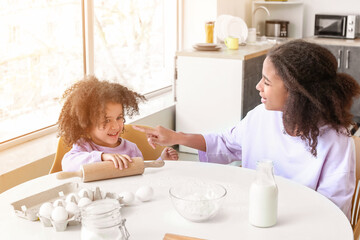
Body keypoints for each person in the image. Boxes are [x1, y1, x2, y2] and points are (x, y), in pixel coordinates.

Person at [134, 39, 360, 220]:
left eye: (267, 82)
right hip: (254, 218)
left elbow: (331, 212)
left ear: (297, 92)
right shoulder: (261, 116)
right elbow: (224, 143)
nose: (258, 86)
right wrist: (175, 137)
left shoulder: (336, 142)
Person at [57, 76, 178, 172]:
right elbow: (67, 165)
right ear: (86, 125)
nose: (115, 126)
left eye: (119, 117)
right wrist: (102, 157)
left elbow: (142, 171)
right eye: (107, 120)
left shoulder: (131, 149)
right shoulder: (84, 147)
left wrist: (162, 160)